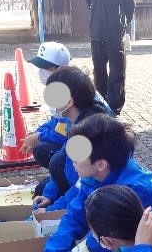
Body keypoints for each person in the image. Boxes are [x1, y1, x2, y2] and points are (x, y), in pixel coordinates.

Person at [43, 113, 152, 252]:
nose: (71, 159)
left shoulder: (130, 191)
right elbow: (75, 213)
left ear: (101, 164)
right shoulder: (96, 175)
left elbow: (103, 242)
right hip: (135, 238)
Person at [24, 66, 110, 207]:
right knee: (43, 190)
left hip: (97, 196)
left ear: (69, 102)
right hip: (83, 185)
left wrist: (53, 210)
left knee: (56, 165)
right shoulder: (78, 121)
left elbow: (83, 188)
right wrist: (49, 196)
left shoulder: (87, 134)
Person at [22, 42, 112, 169]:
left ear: (61, 68)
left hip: (93, 152)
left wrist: (39, 137)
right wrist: (38, 132)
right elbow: (58, 122)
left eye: (46, 68)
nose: (41, 72)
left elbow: (63, 131)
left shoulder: (82, 122)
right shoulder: (70, 86)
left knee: (56, 161)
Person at [82, 0, 135, 115]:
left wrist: (121, 25)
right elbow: (89, 2)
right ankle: (101, 105)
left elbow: (130, 6)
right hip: (96, 34)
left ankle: (114, 109)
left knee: (117, 74)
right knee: (99, 73)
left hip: (115, 36)